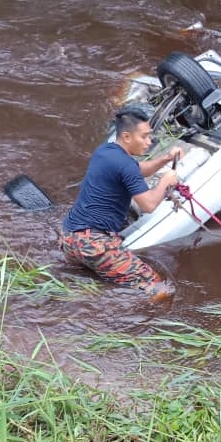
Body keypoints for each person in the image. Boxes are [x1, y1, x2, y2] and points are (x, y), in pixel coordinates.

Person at [58, 106, 182, 301]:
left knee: (89, 282)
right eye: (145, 137)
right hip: (94, 245)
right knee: (157, 285)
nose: (149, 142)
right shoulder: (125, 164)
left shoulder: (105, 151)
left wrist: (166, 158)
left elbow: (140, 169)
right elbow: (148, 205)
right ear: (126, 137)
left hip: (68, 239)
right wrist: (165, 181)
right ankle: (146, 327)